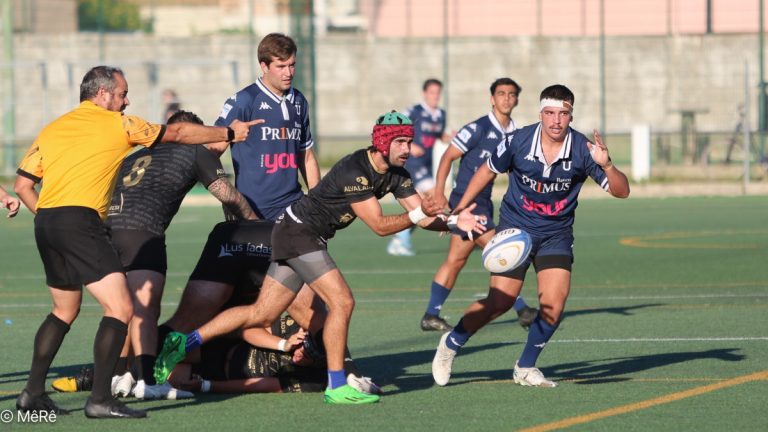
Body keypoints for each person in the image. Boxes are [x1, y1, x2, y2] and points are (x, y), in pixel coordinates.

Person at [155, 111, 486, 405]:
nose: (407, 148)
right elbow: (382, 227)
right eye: (401, 141)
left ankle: (183, 343)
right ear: (383, 143)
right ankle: (337, 384)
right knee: (343, 302)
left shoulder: (398, 173)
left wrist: (456, 222)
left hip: (295, 234)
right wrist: (418, 216)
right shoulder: (357, 169)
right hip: (299, 234)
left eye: (409, 141)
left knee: (262, 311)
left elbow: (423, 215)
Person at [12, 65, 259, 419]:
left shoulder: (53, 127)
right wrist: (228, 133)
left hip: (47, 220)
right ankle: (100, 398)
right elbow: (176, 132)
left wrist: (53, 221)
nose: (126, 102)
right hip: (82, 223)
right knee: (123, 309)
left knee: (63, 310)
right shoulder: (119, 125)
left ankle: (31, 394)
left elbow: (23, 186)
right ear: (103, 95)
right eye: (123, 94)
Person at [432, 84, 630, 388]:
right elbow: (486, 171)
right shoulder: (518, 140)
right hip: (516, 230)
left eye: (563, 114)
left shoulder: (583, 150)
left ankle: (525, 366)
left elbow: (622, 191)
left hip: (556, 234)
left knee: (554, 303)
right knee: (500, 301)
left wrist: (608, 165)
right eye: (550, 113)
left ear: (570, 115)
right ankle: (452, 342)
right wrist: (459, 208)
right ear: (541, 113)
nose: (556, 121)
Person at [105, 110, 257, 400]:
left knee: (119, 310)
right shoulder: (194, 152)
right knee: (146, 311)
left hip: (108, 231)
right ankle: (148, 381)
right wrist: (259, 227)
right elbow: (229, 196)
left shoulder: (135, 155)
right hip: (142, 233)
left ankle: (117, 376)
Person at [420, 78, 537, 332]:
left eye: (511, 94)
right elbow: (448, 156)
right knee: (504, 251)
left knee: (455, 260)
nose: (506, 98)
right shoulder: (478, 128)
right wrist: (442, 196)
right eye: (501, 93)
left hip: (483, 202)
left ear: (517, 100)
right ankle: (523, 310)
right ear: (492, 98)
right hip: (468, 204)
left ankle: (431, 314)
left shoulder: (515, 133)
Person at [212, 32, 320, 221]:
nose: (289, 73)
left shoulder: (299, 101)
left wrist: (319, 202)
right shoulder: (244, 101)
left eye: (292, 65)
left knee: (314, 251)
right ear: (264, 66)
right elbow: (210, 153)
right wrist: (229, 197)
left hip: (293, 207)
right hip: (252, 211)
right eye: (281, 66)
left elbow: (307, 157)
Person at [387, 78, 453, 256]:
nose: (435, 96)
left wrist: (453, 137)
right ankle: (455, 228)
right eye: (432, 92)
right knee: (436, 198)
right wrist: (409, 145)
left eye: (438, 93)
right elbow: (396, 126)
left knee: (424, 206)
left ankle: (400, 239)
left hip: (427, 164)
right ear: (425, 93)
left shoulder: (440, 115)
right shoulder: (414, 111)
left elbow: (440, 136)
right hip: (412, 164)